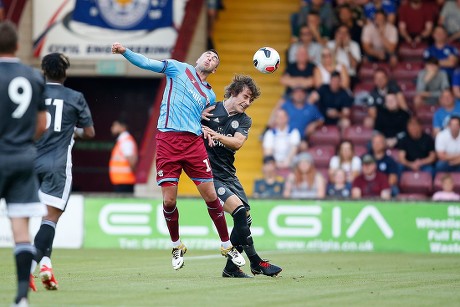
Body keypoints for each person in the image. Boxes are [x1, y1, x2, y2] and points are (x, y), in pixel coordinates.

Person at [111, 42, 244, 270]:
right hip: (167, 141)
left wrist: (207, 127)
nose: (210, 58)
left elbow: (205, 118)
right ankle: (176, 245)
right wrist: (125, 52)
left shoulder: (209, 95)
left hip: (193, 143)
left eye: (214, 59)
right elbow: (146, 63)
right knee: (169, 200)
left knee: (211, 196)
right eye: (208, 55)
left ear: (214, 70)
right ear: (198, 60)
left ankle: (226, 245)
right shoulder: (177, 68)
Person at [201, 75, 282, 278]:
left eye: (251, 100)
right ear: (234, 92)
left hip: (229, 175)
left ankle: (230, 269)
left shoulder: (245, 120)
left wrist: (214, 134)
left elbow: (237, 143)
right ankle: (256, 262)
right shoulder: (210, 109)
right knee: (238, 212)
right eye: (245, 96)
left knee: (245, 218)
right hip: (210, 175)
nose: (247, 102)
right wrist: (197, 119)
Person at [31, 53, 95, 292]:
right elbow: (89, 133)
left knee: (34, 219)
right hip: (57, 165)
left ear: (43, 72)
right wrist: (72, 131)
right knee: (50, 219)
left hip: (28, 162)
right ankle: (30, 269)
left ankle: (46, 264)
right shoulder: (75, 97)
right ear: (65, 73)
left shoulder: (34, 94)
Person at [0, 21, 47, 306]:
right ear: (18, 46)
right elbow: (42, 123)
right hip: (22, 158)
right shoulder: (33, 77)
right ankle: (20, 298)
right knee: (21, 230)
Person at [109, 119, 138, 193]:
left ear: (123, 127)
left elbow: (132, 160)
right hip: (121, 181)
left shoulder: (126, 141)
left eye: (115, 125)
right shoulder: (122, 141)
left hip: (125, 182)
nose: (112, 128)